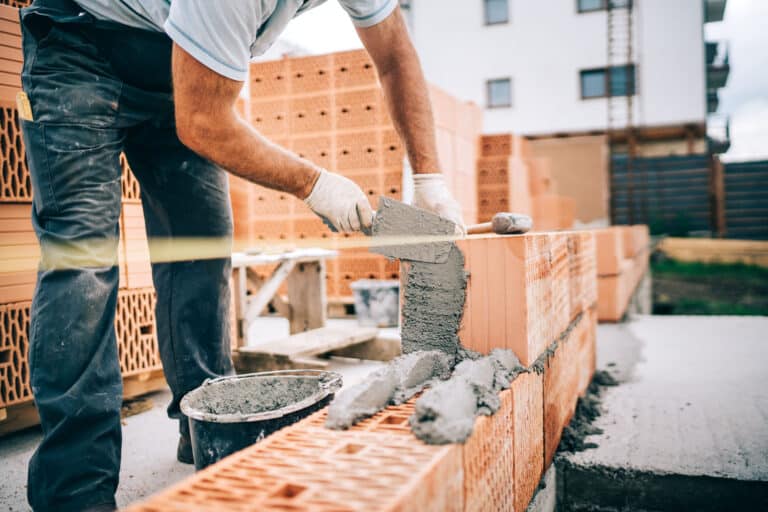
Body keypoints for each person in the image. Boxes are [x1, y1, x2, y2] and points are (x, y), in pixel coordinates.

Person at [18, 0, 464, 510]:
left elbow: (394, 57)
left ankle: (206, 424)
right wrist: (313, 183)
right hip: (80, 47)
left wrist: (429, 180)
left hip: (177, 62)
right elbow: (203, 121)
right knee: (83, 264)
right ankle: (75, 487)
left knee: (202, 245)